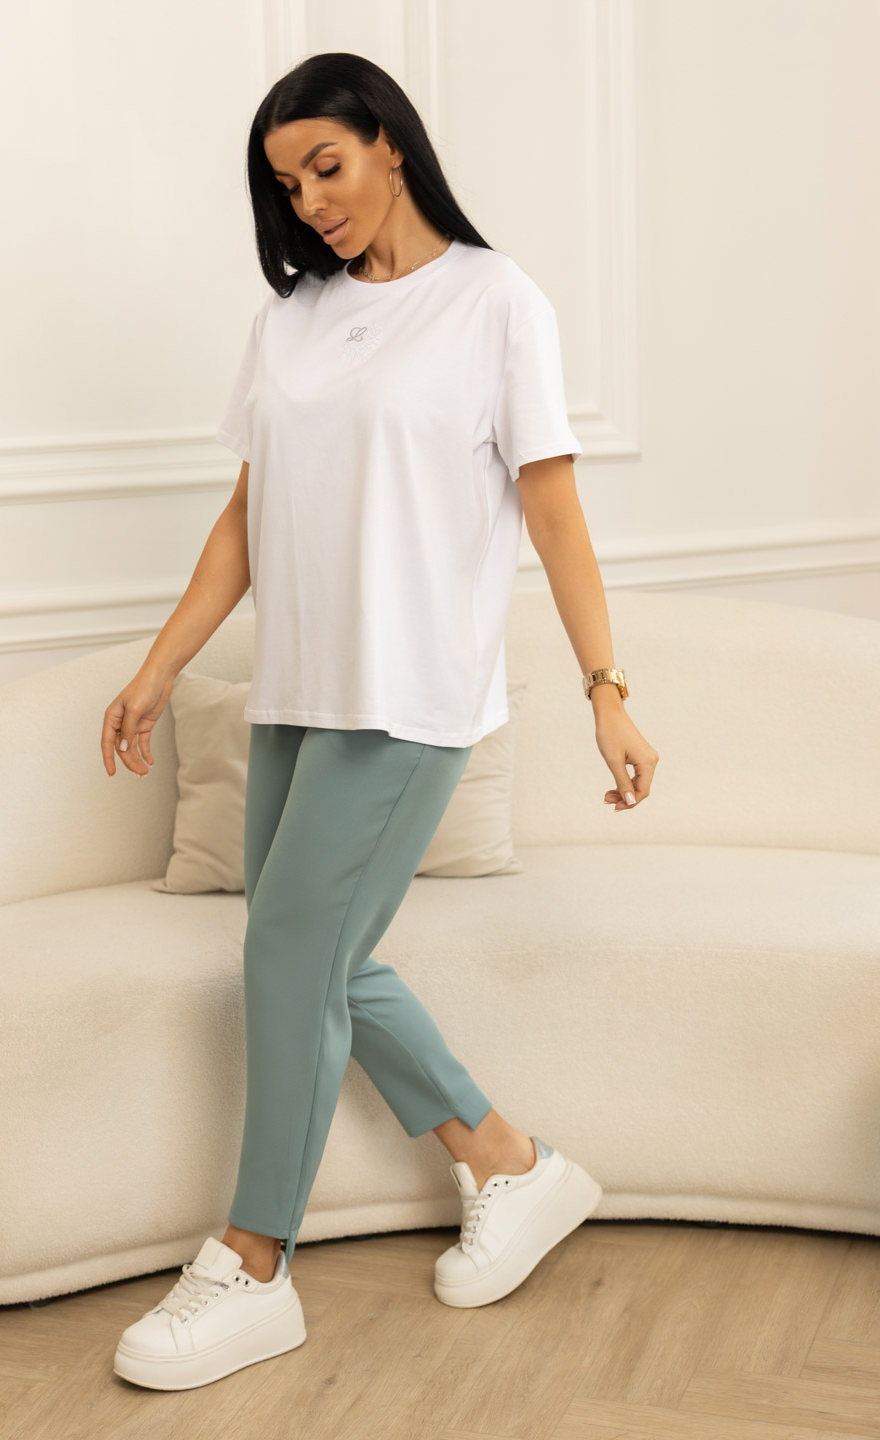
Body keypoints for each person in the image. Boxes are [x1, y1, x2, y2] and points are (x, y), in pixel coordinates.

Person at [102, 52, 660, 1392]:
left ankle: (252, 1263)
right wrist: (163, 664)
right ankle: (509, 1163)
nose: (310, 202)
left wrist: (606, 691)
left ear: (389, 144)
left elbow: (553, 510)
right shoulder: (290, 317)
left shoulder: (495, 302)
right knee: (313, 953)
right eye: (287, 184)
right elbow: (248, 516)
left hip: (412, 699)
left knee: (292, 950)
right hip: (299, 691)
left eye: (327, 166)